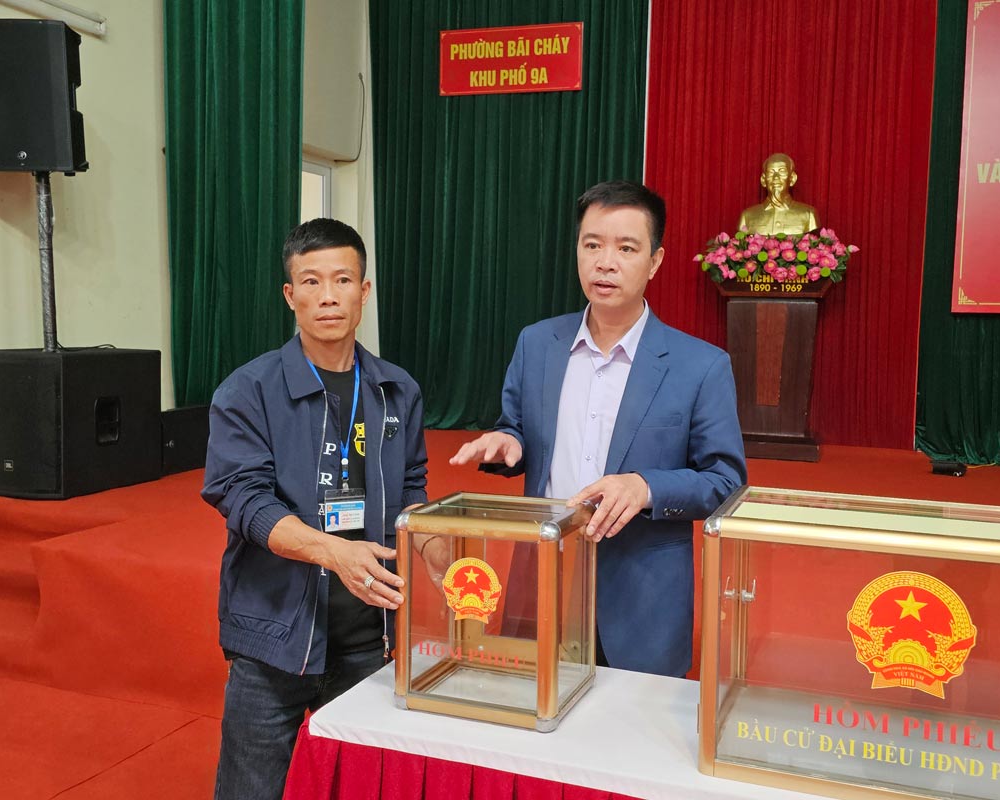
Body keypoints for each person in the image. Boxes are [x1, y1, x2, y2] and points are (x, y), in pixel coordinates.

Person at [450, 180, 747, 678]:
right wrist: (508, 443)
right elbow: (517, 428)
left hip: (640, 596)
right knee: (529, 728)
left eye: (625, 248)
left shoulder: (701, 365)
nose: (604, 262)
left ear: (654, 261)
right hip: (544, 577)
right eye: (592, 245)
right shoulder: (537, 343)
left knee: (627, 741)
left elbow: (725, 481)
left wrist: (646, 485)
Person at [202, 218, 428, 800]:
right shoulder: (246, 390)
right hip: (275, 631)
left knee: (365, 787)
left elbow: (411, 486)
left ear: (364, 290)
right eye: (311, 281)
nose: (328, 295)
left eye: (343, 279)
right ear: (290, 295)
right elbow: (244, 500)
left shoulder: (396, 389)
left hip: (366, 635)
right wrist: (336, 554)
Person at [737, 152, 821, 236]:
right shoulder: (747, 216)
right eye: (770, 172)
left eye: (782, 171)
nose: (776, 177)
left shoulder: (809, 214)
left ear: (792, 178)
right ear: (763, 180)